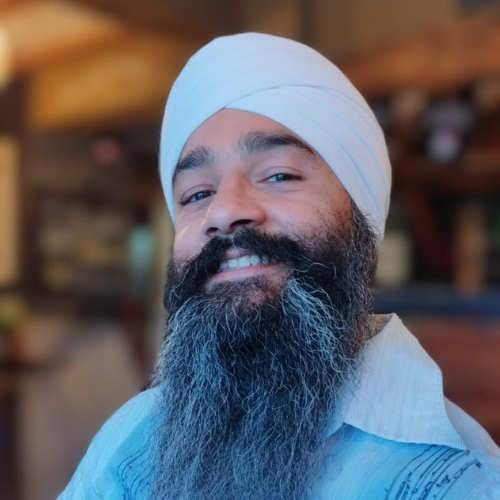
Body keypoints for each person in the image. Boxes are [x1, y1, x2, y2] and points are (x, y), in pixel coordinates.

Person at [58, 33, 500, 500]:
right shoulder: (134, 437)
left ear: (363, 224)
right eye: (197, 194)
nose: (223, 211)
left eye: (278, 175)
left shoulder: (459, 481)